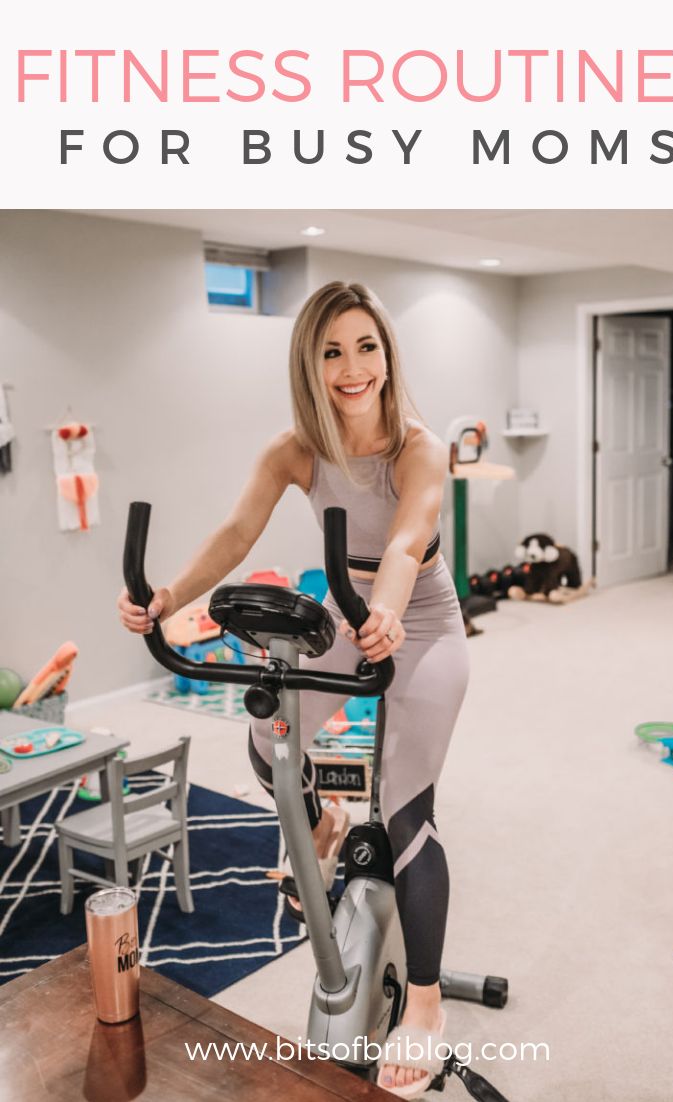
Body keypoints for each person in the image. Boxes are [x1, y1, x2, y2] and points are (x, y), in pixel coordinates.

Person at [118, 281, 470, 1096]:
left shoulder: (419, 446)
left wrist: (385, 607)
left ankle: (422, 1004)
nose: (353, 369)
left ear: (387, 352)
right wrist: (170, 596)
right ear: (310, 364)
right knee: (266, 735)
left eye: (366, 347)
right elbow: (236, 533)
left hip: (421, 619)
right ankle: (321, 822)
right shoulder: (295, 448)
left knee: (410, 816)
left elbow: (411, 537)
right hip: (350, 620)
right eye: (332, 352)